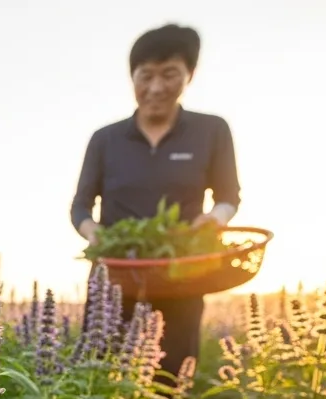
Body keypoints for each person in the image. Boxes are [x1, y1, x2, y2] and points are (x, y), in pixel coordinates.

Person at [70, 23, 241, 376]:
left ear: (189, 75)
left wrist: (213, 220)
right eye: (145, 76)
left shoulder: (211, 130)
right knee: (100, 375)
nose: (156, 87)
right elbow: (80, 207)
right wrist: (94, 233)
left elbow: (229, 196)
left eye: (170, 75)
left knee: (171, 378)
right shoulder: (106, 139)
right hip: (115, 277)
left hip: (182, 273)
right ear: (132, 77)